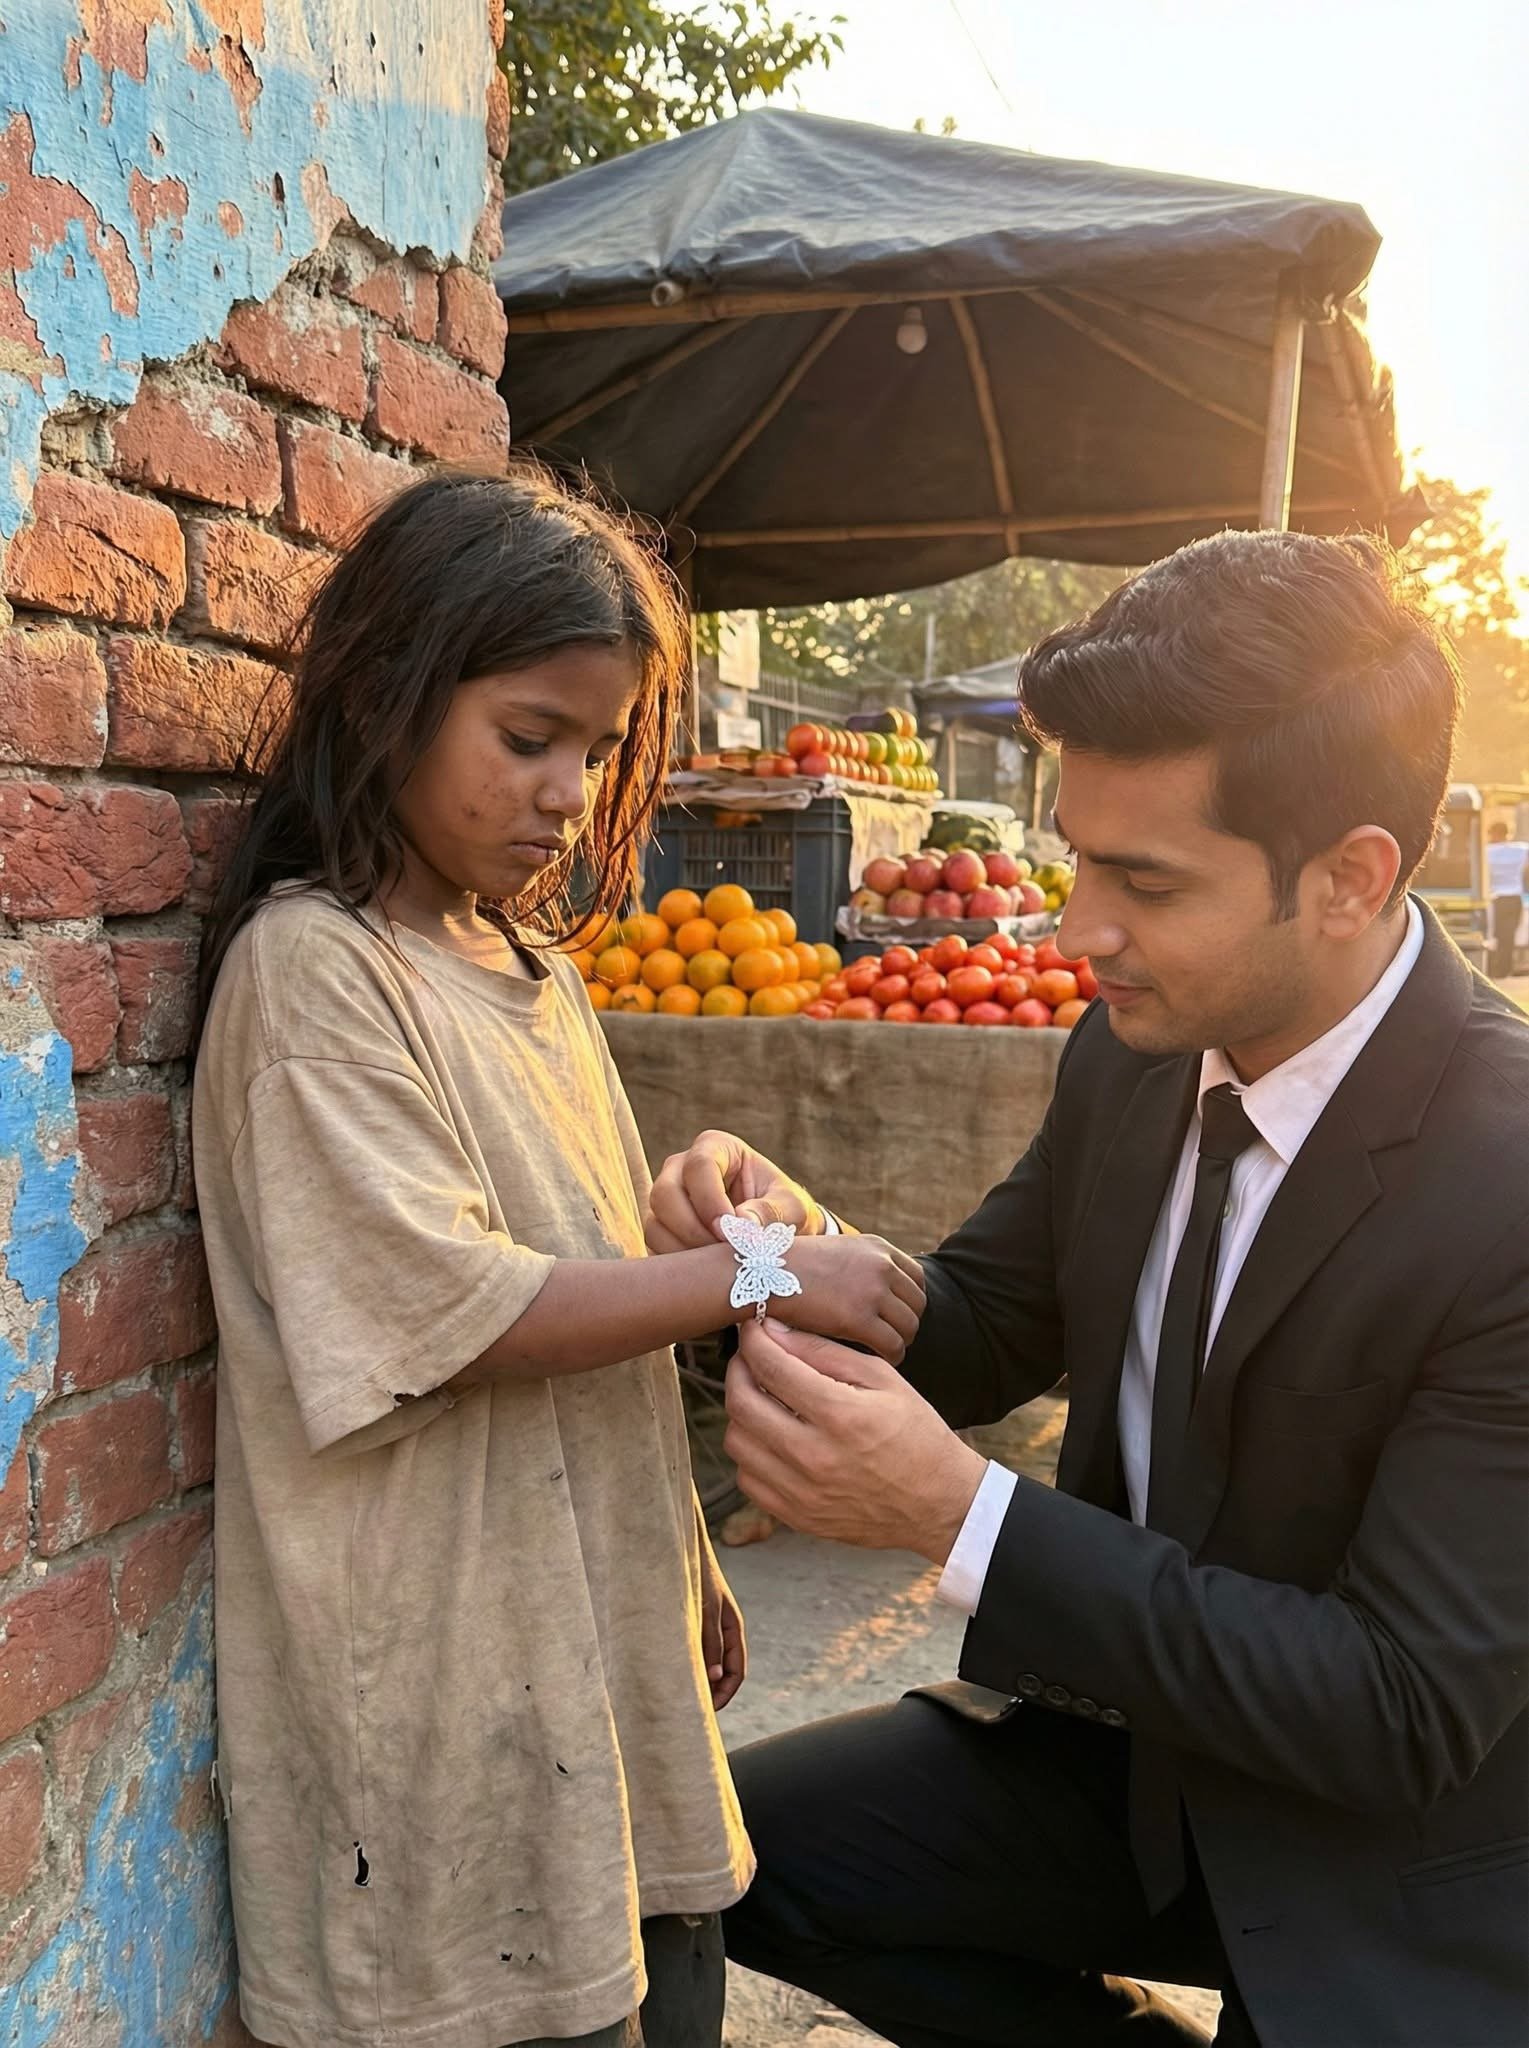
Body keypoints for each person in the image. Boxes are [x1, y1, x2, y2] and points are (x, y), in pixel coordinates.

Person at [647, 531, 1529, 2048]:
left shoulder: (1502, 1178)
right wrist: (767, 1257)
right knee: (717, 1855)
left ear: (1350, 879)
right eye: (1072, 861)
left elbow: (1396, 1712)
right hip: (1136, 1759)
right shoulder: (1134, 1056)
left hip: (1406, 1860)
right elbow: (983, 1320)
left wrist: (960, 1515)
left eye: (1143, 882)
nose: (1073, 933)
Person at [192, 466, 923, 2048]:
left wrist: (681, 1546)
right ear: (386, 696)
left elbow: (591, 1268)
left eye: (593, 753)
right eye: (529, 739)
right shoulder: (315, 974)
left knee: (662, 1984)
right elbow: (459, 1311)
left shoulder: (523, 965)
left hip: (583, 1642)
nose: (566, 794)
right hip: (444, 1679)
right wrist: (769, 1276)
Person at [1486, 817, 1529, 980]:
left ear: (1493, 833)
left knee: (1494, 935)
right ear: (1507, 833)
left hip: (1495, 898)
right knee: (1509, 936)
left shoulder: (1487, 851)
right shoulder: (1520, 850)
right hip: (1515, 897)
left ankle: (1493, 969)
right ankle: (1505, 969)